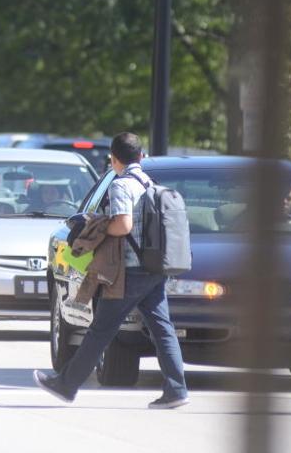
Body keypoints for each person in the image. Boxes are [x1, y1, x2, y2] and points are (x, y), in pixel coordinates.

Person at [33, 132, 189, 409]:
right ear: (141, 157)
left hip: (130, 272)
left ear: (114, 159)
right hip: (154, 268)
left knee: (100, 331)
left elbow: (123, 225)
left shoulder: (121, 185)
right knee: (163, 329)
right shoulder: (149, 182)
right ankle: (176, 389)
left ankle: (66, 385)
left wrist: (102, 226)